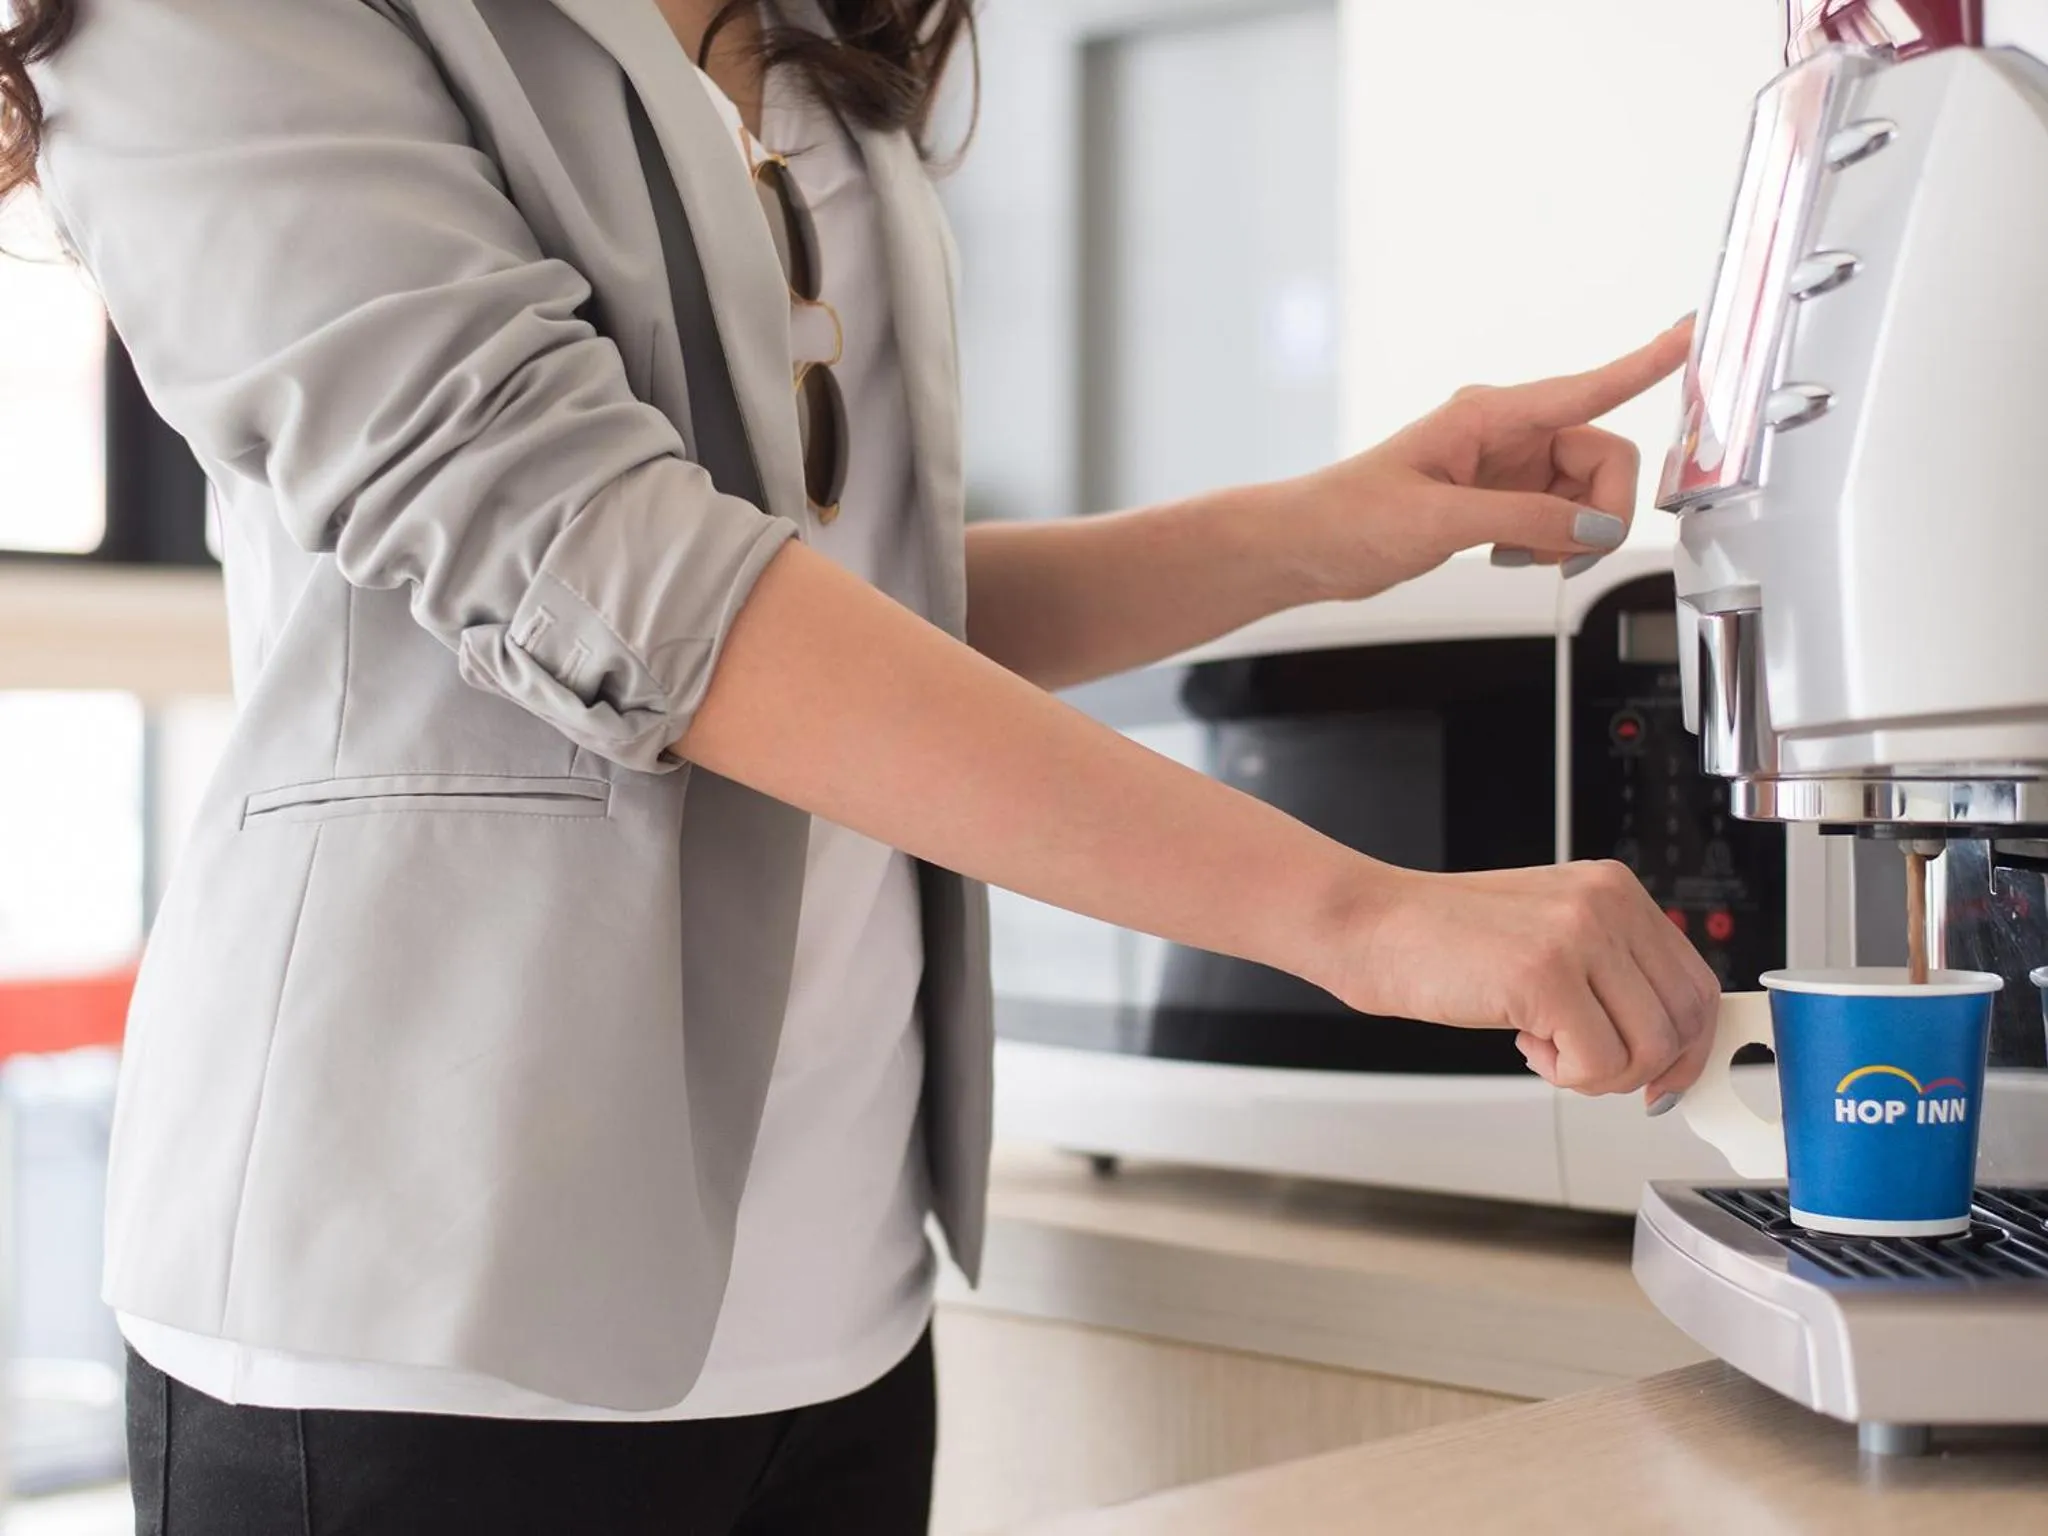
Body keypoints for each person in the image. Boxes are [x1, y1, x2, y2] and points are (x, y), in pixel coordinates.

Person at [2, 1, 1718, 1531]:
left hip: (837, 1306)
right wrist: (1353, 913)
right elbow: (610, 568)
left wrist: (1316, 532)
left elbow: (858, 610)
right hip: (417, 1323)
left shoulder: (813, 26)